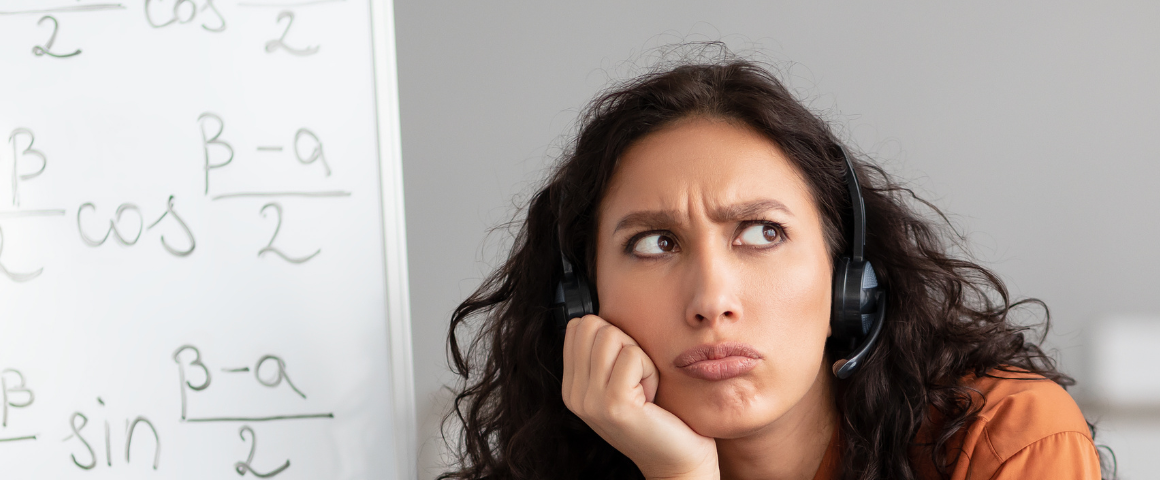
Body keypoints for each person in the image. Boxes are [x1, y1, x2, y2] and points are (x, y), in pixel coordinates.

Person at [440, 50, 1106, 480]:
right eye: (655, 244)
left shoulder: (1002, 442)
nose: (712, 299)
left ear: (850, 279)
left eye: (761, 233)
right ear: (581, 303)